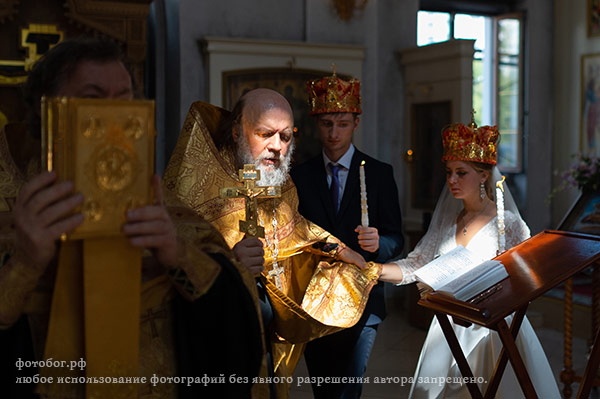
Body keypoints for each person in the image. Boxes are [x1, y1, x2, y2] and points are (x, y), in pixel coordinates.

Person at [0, 37, 263, 399]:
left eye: (124, 103)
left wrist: (177, 255)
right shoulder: (13, 218)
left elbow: (235, 347)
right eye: (92, 100)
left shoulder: (171, 217)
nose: (114, 120)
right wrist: (25, 266)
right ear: (49, 115)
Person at [163, 88, 382, 398]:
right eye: (265, 134)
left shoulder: (280, 183)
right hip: (218, 338)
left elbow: (296, 226)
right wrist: (229, 262)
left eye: (286, 136)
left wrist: (336, 246)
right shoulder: (196, 183)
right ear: (237, 130)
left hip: (269, 327)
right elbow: (171, 257)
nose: (277, 147)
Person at [379, 119, 560, 398]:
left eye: (461, 173)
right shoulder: (449, 222)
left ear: (484, 175)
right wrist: (373, 269)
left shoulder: (509, 225)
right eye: (449, 172)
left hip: (495, 329)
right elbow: (417, 264)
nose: (451, 180)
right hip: (449, 327)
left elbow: (528, 283)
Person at [290, 71, 404, 398]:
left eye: (342, 123)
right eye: (327, 123)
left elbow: (398, 238)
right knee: (323, 388)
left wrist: (379, 243)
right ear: (316, 123)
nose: (333, 132)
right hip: (315, 298)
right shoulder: (299, 176)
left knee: (348, 389)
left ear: (356, 123)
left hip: (363, 299)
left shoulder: (380, 174)